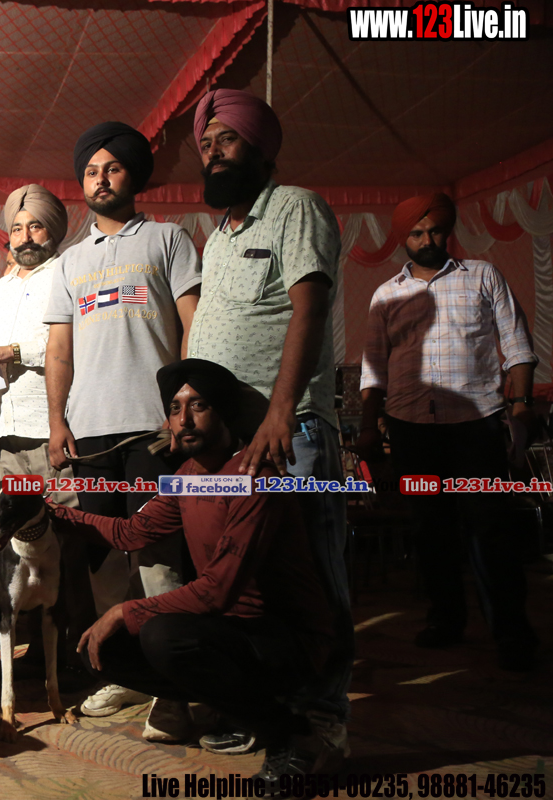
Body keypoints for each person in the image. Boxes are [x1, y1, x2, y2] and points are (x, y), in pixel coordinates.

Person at [55, 359, 338, 790]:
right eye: (175, 408)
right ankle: (243, 710)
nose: (184, 419)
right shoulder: (188, 477)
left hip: (287, 640)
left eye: (198, 405)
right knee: (102, 649)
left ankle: (294, 735)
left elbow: (217, 591)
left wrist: (125, 611)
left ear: (223, 411)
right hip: (230, 633)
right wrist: (54, 515)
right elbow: (131, 532)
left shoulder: (254, 477)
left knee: (163, 635)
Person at [188, 88, 353, 756]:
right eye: (206, 144)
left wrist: (280, 412)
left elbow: (309, 310)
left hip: (291, 433)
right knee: (246, 585)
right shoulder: (218, 240)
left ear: (260, 147)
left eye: (226, 139)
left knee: (309, 579)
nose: (213, 153)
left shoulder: (295, 207)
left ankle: (322, 718)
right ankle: (266, 709)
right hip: (232, 448)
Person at [43, 121, 201, 724]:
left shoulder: (167, 239)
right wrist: (57, 422)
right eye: (91, 171)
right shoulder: (69, 262)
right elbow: (60, 350)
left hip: (152, 429)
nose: (100, 179)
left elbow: (193, 326)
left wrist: (183, 409)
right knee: (105, 561)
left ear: (134, 176)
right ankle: (129, 674)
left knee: (158, 557)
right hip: (89, 433)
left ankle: (176, 685)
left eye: (111, 168)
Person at [358, 193, 539, 672]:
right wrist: (368, 426)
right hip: (411, 428)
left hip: (475, 425)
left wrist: (521, 405)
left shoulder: (482, 275)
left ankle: (512, 632)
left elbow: (517, 344)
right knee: (430, 528)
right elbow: (374, 368)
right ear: (403, 239)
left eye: (435, 230)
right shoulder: (386, 294)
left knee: (490, 528)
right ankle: (446, 620)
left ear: (448, 231)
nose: (427, 240)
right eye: (416, 233)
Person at [0, 184, 76, 502]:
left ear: (53, 230)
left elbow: (75, 345)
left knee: (65, 520)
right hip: (6, 432)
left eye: (35, 226)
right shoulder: (0, 289)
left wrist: (13, 351)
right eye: (17, 229)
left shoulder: (69, 275)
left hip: (52, 429)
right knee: (19, 525)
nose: (25, 237)